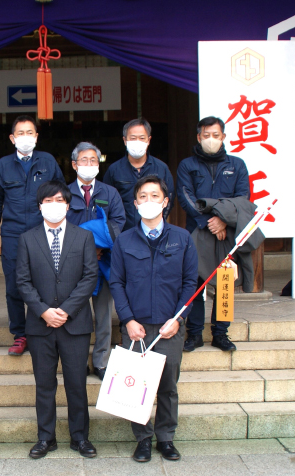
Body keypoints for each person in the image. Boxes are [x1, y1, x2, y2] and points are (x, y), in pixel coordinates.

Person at [109, 175, 198, 463]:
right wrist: (127, 320)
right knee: (138, 386)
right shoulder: (123, 241)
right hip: (137, 327)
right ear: (135, 204)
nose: (149, 201)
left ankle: (166, 439)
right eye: (143, 197)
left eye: (155, 196)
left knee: (168, 386)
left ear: (166, 201)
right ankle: (143, 439)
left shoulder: (182, 238)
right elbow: (116, 283)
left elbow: (189, 283)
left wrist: (178, 318)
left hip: (169, 326)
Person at [16, 181, 99, 459]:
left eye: (59, 200)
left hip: (74, 324)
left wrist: (66, 310)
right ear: (40, 206)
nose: (54, 205)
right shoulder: (27, 239)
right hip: (41, 325)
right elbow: (22, 281)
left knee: (76, 382)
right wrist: (43, 311)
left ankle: (80, 437)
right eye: (48, 201)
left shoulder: (83, 237)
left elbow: (90, 277)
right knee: (45, 384)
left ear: (68, 204)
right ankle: (45, 438)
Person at [0, 115, 65, 356]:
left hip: (42, 230)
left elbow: (61, 194)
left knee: (44, 280)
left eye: (29, 132)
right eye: (20, 133)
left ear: (36, 137)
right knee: (14, 285)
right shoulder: (2, 166)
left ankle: (41, 328)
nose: (25, 137)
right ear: (12, 138)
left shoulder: (48, 161)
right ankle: (19, 334)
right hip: (11, 233)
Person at [176, 116, 250, 352]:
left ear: (224, 137)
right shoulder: (187, 165)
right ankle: (195, 334)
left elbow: (242, 198)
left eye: (215, 136)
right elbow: (185, 197)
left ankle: (221, 333)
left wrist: (223, 221)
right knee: (195, 283)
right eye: (206, 135)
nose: (211, 140)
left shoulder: (237, 165)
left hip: (225, 233)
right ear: (199, 137)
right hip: (197, 231)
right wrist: (208, 222)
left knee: (224, 283)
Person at [66, 142, 125, 380]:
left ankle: (101, 362)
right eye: (84, 160)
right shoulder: (64, 193)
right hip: (74, 265)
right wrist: (84, 250)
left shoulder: (109, 193)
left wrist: (98, 246)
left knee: (103, 316)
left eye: (93, 160)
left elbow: (119, 223)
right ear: (74, 164)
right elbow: (60, 225)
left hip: (104, 263)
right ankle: (78, 362)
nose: (89, 165)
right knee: (77, 316)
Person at [103, 118, 175, 231]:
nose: (137, 141)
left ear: (149, 140)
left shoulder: (161, 168)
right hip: (124, 232)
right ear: (125, 140)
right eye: (133, 138)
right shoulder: (114, 170)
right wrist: (115, 229)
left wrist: (158, 221)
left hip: (155, 230)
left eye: (142, 138)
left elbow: (169, 198)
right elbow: (105, 201)